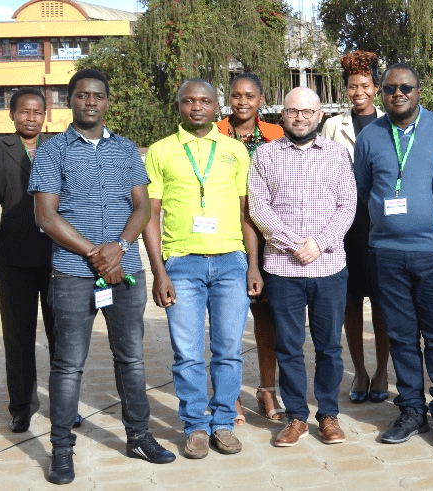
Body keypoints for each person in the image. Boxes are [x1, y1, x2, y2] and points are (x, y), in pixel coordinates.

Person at [30, 68, 174, 485]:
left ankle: (139, 437)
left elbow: (142, 207)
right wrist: (95, 252)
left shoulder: (128, 150)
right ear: (70, 100)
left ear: (108, 102)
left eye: (97, 95)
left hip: (124, 274)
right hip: (74, 274)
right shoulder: (53, 151)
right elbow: (45, 214)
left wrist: (121, 248)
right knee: (68, 364)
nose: (90, 101)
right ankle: (61, 451)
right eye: (81, 95)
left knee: (130, 357)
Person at [142, 79, 262, 460]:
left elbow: (248, 214)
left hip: (231, 263)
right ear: (177, 105)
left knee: (229, 352)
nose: (197, 107)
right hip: (182, 265)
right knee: (188, 353)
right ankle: (195, 425)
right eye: (189, 101)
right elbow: (150, 214)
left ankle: (223, 423)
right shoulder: (161, 152)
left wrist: (253, 265)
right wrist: (159, 272)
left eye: (205, 101)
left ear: (216, 106)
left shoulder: (235, 151)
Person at [355, 63, 433, 448]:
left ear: (419, 91)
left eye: (406, 87)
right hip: (386, 252)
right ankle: (412, 411)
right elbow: (365, 188)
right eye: (390, 88)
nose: (397, 93)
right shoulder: (371, 135)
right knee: (400, 335)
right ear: (381, 93)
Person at [247, 87, 357, 447]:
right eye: (293, 111)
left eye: (307, 111)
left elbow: (347, 206)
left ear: (319, 115)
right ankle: (296, 417)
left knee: (329, 346)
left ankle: (328, 414)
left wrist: (319, 243)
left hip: (328, 267)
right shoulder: (265, 155)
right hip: (283, 267)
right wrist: (295, 244)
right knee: (289, 347)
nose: (300, 117)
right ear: (283, 115)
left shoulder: (338, 155)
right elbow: (259, 209)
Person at [0, 88, 56, 434]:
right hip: (12, 258)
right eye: (24, 112)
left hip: (57, 256)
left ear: (45, 116)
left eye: (37, 112)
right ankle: (21, 406)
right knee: (18, 336)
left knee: (61, 336)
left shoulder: (59, 148)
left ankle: (64, 404)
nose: (31, 118)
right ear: (11, 115)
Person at [320, 50, 391, 405]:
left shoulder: (389, 121)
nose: (358, 91)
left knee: (381, 301)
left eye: (365, 85)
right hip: (343, 225)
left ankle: (382, 370)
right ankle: (360, 371)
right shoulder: (333, 126)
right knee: (350, 301)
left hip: (379, 222)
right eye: (352, 86)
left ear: (376, 88)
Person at [215, 72, 284, 423]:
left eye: (250, 96)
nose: (242, 102)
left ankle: (267, 390)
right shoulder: (212, 134)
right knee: (227, 320)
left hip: (266, 234)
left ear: (261, 99)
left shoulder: (276, 135)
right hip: (223, 233)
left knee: (266, 316)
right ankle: (227, 395)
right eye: (236, 96)